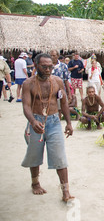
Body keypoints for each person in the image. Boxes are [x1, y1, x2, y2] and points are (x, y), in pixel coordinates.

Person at [21, 53, 74, 202]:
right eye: (44, 66)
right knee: (34, 155)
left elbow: (63, 103)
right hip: (36, 121)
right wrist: (32, 121)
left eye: (50, 66)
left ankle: (65, 191)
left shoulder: (57, 81)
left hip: (54, 122)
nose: (48, 69)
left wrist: (68, 123)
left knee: (60, 157)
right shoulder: (28, 84)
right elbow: (26, 106)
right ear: (36, 65)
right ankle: (35, 183)